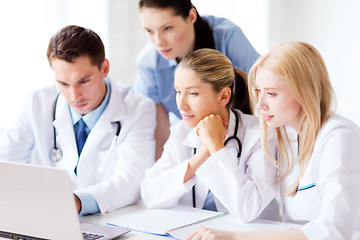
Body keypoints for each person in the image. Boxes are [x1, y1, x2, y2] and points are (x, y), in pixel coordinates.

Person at [187, 42, 360, 240]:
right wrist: (215, 147)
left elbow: (334, 231)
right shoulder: (285, 135)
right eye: (259, 91)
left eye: (271, 93)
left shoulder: (339, 137)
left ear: (304, 92)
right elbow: (247, 206)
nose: (260, 104)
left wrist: (235, 238)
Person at [0, 25, 156, 216]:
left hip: (111, 219)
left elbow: (131, 180)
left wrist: (77, 201)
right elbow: (5, 163)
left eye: (83, 81)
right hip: (46, 218)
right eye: (63, 84)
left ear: (104, 68)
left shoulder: (139, 108)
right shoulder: (37, 103)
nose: (75, 96)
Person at [140, 48, 277, 222]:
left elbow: (248, 209)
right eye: (178, 92)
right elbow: (150, 194)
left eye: (192, 93)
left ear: (223, 96)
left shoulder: (261, 134)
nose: (181, 105)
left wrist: (216, 146)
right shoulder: (180, 132)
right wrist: (205, 151)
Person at [135, 0, 260, 159]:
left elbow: (266, 90)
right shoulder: (148, 64)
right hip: (193, 141)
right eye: (149, 31)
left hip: (242, 136)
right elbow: (160, 135)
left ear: (191, 16)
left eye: (167, 28)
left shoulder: (227, 36)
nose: (158, 42)